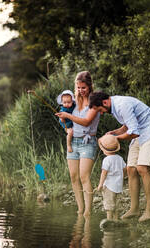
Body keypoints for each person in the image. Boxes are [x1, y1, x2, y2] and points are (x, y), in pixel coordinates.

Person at [89, 92, 150, 222]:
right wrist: (115, 132)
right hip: (140, 133)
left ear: (105, 102)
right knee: (131, 169)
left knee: (142, 168)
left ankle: (149, 211)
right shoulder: (115, 108)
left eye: (99, 110)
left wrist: (115, 138)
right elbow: (128, 125)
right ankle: (134, 209)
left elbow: (133, 132)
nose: (100, 113)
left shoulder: (122, 105)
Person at [55, 71, 100, 217]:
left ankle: (88, 211)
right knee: (73, 177)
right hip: (73, 142)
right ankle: (80, 210)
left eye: (83, 87)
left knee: (84, 177)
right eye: (78, 87)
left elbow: (86, 121)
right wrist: (64, 122)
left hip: (88, 142)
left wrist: (68, 116)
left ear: (90, 86)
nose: (81, 90)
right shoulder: (73, 102)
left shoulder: (94, 102)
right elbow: (67, 121)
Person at [94, 134, 127, 224]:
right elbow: (125, 168)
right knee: (116, 203)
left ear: (103, 149)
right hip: (118, 186)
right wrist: (122, 177)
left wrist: (100, 184)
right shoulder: (120, 158)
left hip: (109, 186)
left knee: (109, 204)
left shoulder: (107, 160)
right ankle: (116, 220)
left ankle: (109, 220)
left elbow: (104, 173)